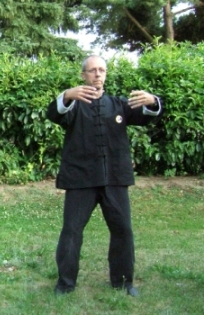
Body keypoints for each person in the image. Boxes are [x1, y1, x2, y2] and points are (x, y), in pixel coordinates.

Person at [47, 55, 163, 297]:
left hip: (115, 179)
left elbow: (149, 115)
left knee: (123, 230)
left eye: (101, 70)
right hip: (80, 180)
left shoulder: (119, 104)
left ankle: (123, 282)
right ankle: (65, 284)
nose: (97, 74)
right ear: (83, 75)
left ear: (106, 74)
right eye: (92, 70)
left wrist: (153, 102)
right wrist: (67, 95)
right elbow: (54, 114)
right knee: (71, 231)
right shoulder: (73, 105)